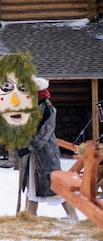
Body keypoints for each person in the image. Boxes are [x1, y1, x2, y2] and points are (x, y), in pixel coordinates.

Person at [16, 77, 79, 222]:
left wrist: (29, 147)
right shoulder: (32, 109)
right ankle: (30, 214)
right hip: (33, 155)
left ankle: (72, 215)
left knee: (54, 184)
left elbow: (45, 133)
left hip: (46, 155)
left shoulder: (48, 109)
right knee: (32, 183)